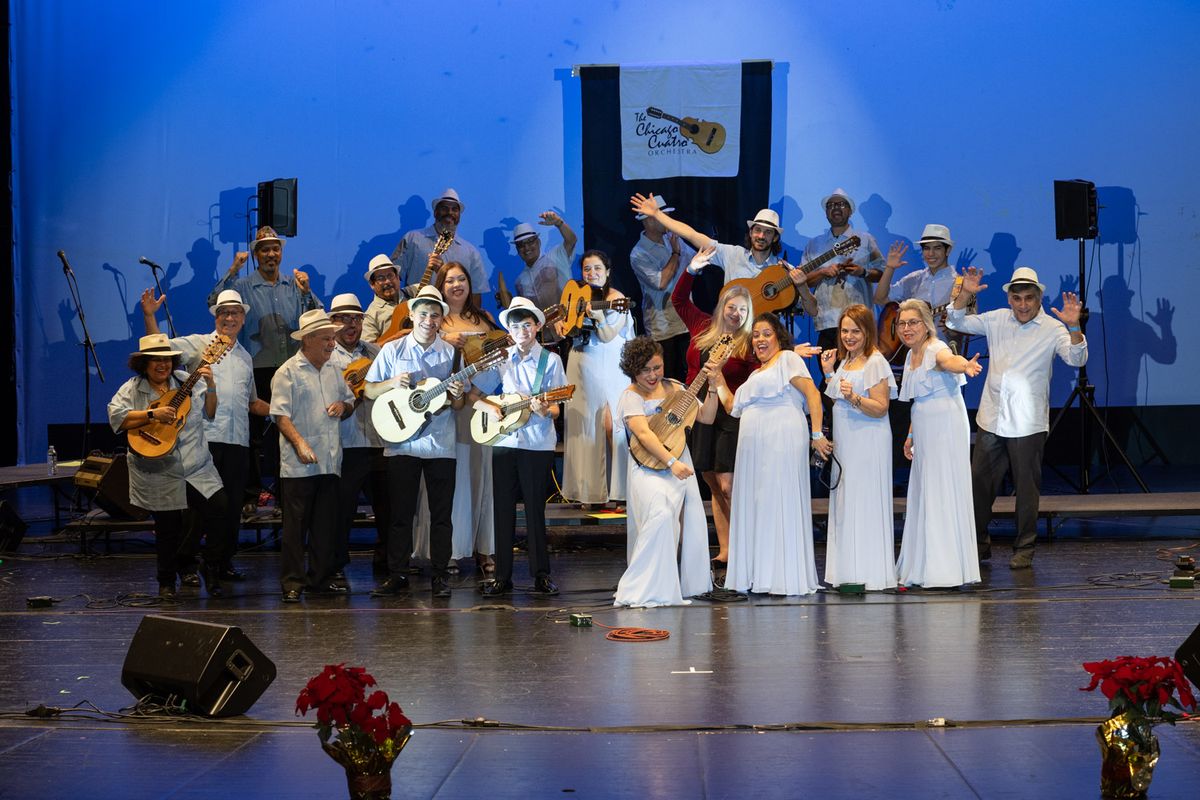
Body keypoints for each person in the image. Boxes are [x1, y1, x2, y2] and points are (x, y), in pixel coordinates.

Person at [946, 266, 1086, 569]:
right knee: (980, 486)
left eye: (1029, 299)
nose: (1023, 305)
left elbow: (1076, 358)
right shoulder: (996, 319)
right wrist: (965, 293)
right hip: (992, 418)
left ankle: (1024, 547)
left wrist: (1074, 327)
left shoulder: (1052, 328)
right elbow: (954, 320)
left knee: (1026, 489)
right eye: (1017, 298)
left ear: (1038, 299)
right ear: (1010, 299)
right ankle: (978, 544)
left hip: (1028, 421)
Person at [139, 288, 269, 588]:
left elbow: (252, 403)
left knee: (232, 507)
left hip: (237, 442)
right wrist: (149, 316)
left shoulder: (246, 358)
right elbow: (159, 349)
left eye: (235, 313)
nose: (230, 317)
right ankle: (186, 564)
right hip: (203, 440)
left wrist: (284, 411)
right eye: (224, 313)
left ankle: (221, 562)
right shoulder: (199, 344)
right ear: (216, 316)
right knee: (197, 510)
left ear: (243, 318)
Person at [207, 226, 322, 503]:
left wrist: (307, 292)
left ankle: (287, 493)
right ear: (257, 254)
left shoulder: (294, 285)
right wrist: (233, 269)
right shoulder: (243, 286)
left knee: (290, 429)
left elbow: (317, 318)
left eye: (275, 248)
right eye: (265, 249)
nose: (271, 254)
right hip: (257, 367)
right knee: (255, 435)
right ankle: (250, 494)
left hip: (291, 368)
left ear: (281, 253)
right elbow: (213, 302)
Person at [718, 313, 830, 596]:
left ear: (778, 337)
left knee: (778, 499)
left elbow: (813, 395)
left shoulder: (788, 360)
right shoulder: (755, 374)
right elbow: (732, 406)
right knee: (758, 503)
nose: (759, 339)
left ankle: (782, 574)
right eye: (755, 335)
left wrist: (816, 434)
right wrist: (717, 377)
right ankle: (760, 573)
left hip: (781, 436)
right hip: (753, 445)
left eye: (766, 333)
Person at [365, 286, 466, 599]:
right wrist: (393, 383)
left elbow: (459, 406)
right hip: (402, 444)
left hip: (440, 443)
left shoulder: (452, 355)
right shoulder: (393, 350)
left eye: (435, 314)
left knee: (441, 515)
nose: (429, 319)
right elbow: (369, 390)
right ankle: (397, 574)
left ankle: (439, 576)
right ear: (411, 315)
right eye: (423, 313)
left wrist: (459, 395)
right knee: (400, 514)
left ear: (440, 320)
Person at [108, 334, 226, 599]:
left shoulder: (186, 381)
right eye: (155, 361)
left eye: (167, 360)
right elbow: (117, 417)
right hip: (159, 467)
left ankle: (210, 564)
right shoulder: (132, 388)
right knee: (167, 528)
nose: (162, 365)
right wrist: (152, 414)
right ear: (144, 364)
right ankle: (166, 582)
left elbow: (210, 413)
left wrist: (211, 386)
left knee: (221, 509)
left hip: (196, 465)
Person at [471, 297, 567, 596]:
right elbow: (473, 395)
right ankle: (502, 576)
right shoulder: (501, 358)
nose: (522, 330)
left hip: (537, 444)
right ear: (508, 330)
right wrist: (490, 408)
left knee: (535, 510)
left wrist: (543, 409)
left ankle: (540, 575)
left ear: (538, 326)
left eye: (527, 324)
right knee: (502, 510)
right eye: (515, 325)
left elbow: (557, 408)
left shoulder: (550, 361)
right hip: (503, 441)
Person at [411, 263, 499, 574]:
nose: (457, 284)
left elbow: (497, 360)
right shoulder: (434, 321)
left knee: (480, 474)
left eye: (462, 278)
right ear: (441, 285)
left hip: (480, 404)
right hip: (447, 410)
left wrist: (481, 390)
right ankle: (448, 549)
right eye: (450, 280)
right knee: (455, 477)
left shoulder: (484, 319)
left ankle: (484, 548)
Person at [669, 250, 755, 566]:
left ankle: (748, 544)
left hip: (730, 415)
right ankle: (727, 549)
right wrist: (690, 269)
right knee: (710, 482)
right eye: (731, 307)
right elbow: (678, 300)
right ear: (722, 307)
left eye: (742, 310)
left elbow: (766, 366)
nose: (736, 314)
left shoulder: (750, 341)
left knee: (728, 484)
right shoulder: (702, 325)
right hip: (696, 411)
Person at [613, 336, 714, 607]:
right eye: (645, 369)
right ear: (633, 370)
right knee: (659, 515)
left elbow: (707, 417)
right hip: (649, 467)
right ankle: (639, 586)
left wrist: (713, 387)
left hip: (680, 462)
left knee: (681, 524)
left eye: (657, 367)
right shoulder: (630, 396)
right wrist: (672, 463)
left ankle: (673, 587)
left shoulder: (678, 388)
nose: (653, 374)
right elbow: (644, 435)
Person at [894, 300, 983, 588]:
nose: (907, 329)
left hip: (945, 425)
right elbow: (918, 397)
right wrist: (910, 434)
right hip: (924, 425)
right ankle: (923, 565)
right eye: (902, 323)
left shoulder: (936, 348)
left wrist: (965, 365)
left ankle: (944, 570)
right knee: (926, 491)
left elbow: (949, 362)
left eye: (913, 322)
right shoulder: (911, 355)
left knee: (941, 489)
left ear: (926, 324)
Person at [270, 309, 356, 603]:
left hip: (330, 459)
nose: (332, 344)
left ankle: (320, 578)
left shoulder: (335, 369)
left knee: (325, 525)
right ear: (307, 340)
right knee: (296, 526)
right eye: (325, 339)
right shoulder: (287, 372)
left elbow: (350, 402)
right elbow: (280, 416)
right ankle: (292, 581)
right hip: (299, 464)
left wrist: (344, 408)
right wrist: (299, 444)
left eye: (332, 338)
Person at [628, 194, 817, 312]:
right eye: (757, 230)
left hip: (766, 342)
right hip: (732, 337)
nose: (761, 236)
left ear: (775, 238)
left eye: (768, 232)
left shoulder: (783, 270)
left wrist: (802, 287)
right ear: (750, 233)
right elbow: (692, 234)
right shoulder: (732, 255)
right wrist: (657, 215)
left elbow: (813, 310)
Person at [820, 304, 897, 590]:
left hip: (868, 441)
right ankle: (847, 571)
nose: (849, 336)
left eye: (855, 331)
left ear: (867, 332)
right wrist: (829, 373)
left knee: (865, 501)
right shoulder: (847, 360)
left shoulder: (875, 362)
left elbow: (880, 408)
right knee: (847, 501)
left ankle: (870, 572)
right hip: (848, 442)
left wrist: (855, 399)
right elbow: (837, 397)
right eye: (844, 331)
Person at [325, 293, 390, 590]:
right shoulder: (326, 357)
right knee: (341, 510)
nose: (351, 325)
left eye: (356, 318)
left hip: (378, 439)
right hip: (346, 443)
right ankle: (336, 565)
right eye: (343, 319)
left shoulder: (377, 352)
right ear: (332, 323)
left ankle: (389, 561)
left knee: (388, 507)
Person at [561, 250, 635, 508]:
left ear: (608, 271)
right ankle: (589, 492)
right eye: (586, 269)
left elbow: (607, 336)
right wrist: (561, 326)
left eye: (597, 269)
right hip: (581, 362)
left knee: (611, 423)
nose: (591, 274)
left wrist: (599, 314)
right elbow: (565, 327)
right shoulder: (575, 294)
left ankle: (621, 492)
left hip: (609, 364)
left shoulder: (617, 300)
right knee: (585, 425)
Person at [804, 189, 884, 355]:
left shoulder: (865, 240)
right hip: (827, 321)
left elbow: (882, 273)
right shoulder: (814, 245)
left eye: (841, 204)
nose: (836, 208)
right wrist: (822, 272)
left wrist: (863, 272)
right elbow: (803, 281)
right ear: (826, 212)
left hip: (859, 323)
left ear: (850, 210)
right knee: (829, 374)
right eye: (831, 205)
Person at [629, 195, 693, 381]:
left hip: (685, 320)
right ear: (649, 220)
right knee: (668, 377)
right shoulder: (638, 253)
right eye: (662, 215)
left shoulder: (673, 238)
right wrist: (675, 253)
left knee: (689, 374)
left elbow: (696, 258)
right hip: (662, 327)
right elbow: (661, 282)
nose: (667, 220)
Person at [873, 223, 968, 348]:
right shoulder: (914, 279)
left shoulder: (961, 284)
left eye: (937, 248)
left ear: (948, 250)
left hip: (945, 354)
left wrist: (954, 326)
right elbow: (879, 299)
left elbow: (968, 326)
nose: (931, 253)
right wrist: (890, 268)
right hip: (911, 354)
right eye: (926, 248)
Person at [391, 188, 489, 302]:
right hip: (416, 313)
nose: (450, 213)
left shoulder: (471, 252)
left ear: (459, 215)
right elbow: (392, 276)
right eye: (444, 208)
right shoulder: (413, 239)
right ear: (435, 212)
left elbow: (476, 294)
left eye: (454, 209)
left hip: (454, 317)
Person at [512, 212, 577, 323]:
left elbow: (571, 240)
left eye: (530, 242)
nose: (526, 247)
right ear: (517, 250)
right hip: (544, 337)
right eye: (521, 245)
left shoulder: (556, 256)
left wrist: (559, 223)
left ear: (539, 242)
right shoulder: (520, 281)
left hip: (569, 329)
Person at [361, 254, 403, 342]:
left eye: (390, 276)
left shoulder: (415, 292)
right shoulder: (370, 316)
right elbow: (368, 350)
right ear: (372, 284)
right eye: (381, 278)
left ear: (398, 277)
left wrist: (438, 270)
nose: (387, 281)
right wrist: (395, 338)